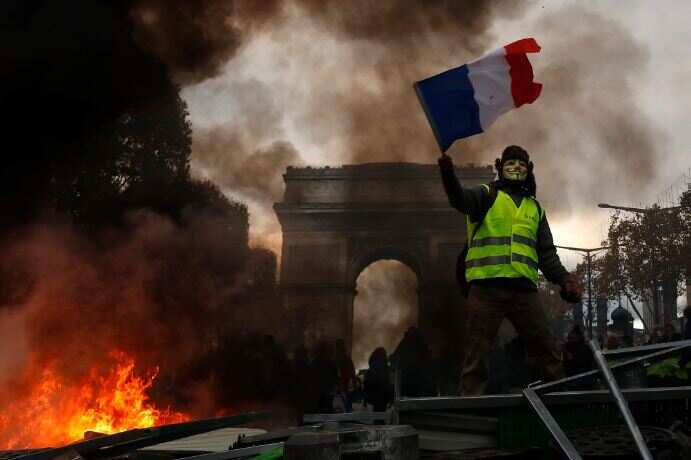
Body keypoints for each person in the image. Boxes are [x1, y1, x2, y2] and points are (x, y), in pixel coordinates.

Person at [438, 145, 582, 395]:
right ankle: (471, 409)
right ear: (500, 167)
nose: (516, 167)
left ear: (529, 170)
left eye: (521, 163)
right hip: (486, 288)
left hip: (524, 292)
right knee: (477, 354)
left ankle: (559, 401)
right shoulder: (486, 196)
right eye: (510, 162)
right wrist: (448, 175)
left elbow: (547, 255)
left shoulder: (535, 209)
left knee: (546, 349)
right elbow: (459, 199)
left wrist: (564, 279)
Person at [363, 347, 393, 412]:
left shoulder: (371, 370)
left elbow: (366, 384)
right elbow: (388, 384)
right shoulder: (386, 369)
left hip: (372, 399)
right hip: (383, 398)